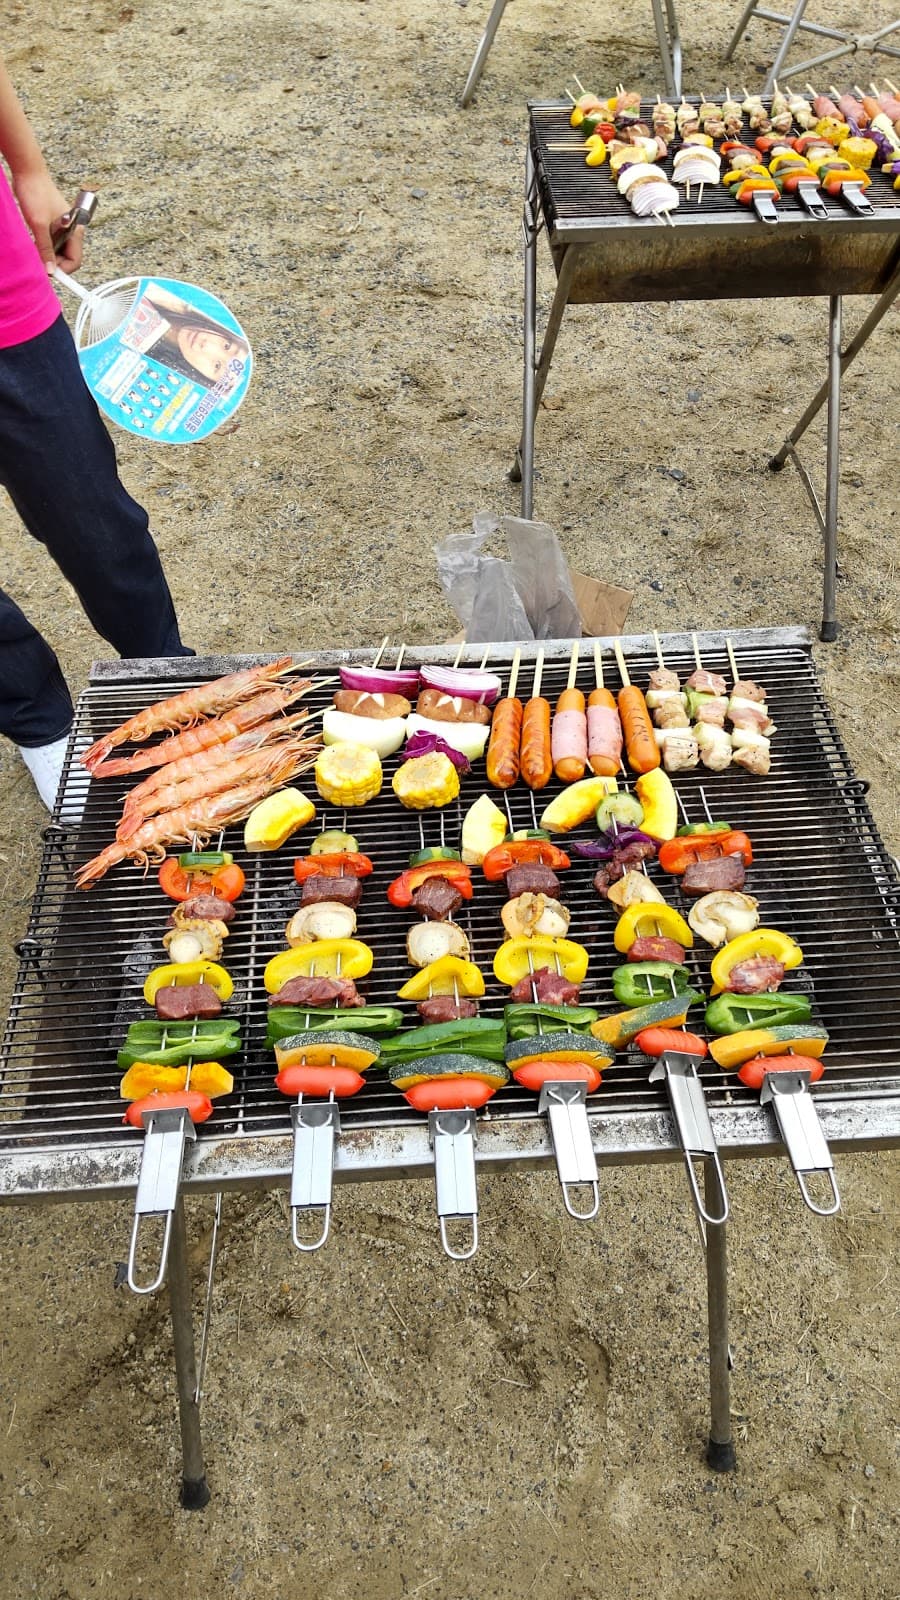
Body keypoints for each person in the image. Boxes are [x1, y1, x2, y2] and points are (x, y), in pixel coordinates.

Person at [0, 53, 192, 811]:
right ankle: (41, 724)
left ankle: (165, 675)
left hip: (9, 306)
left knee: (92, 515)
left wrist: (29, 169)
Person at [128, 282, 250, 391]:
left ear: (203, 378)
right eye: (226, 345)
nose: (207, 345)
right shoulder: (172, 291)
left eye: (217, 366)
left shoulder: (139, 370)